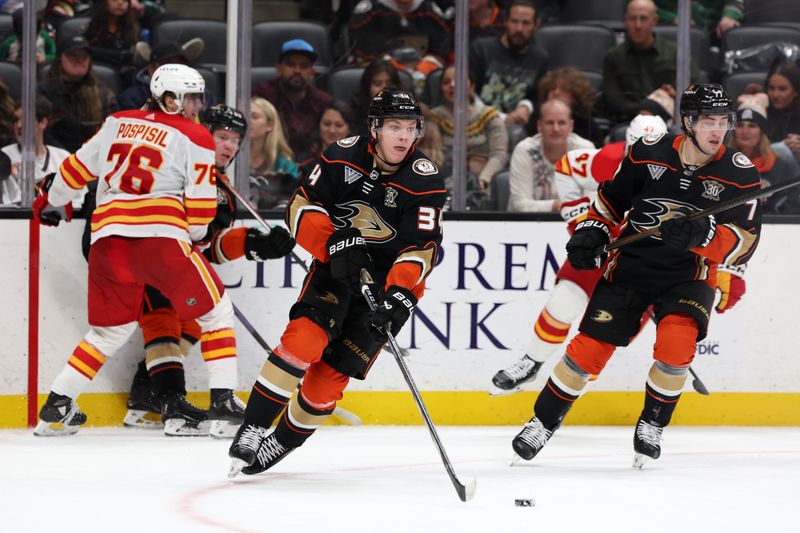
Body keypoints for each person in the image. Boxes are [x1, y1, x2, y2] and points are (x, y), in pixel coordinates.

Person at [510, 84, 762, 468]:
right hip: (630, 267)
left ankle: (652, 424)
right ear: (689, 121)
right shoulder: (648, 153)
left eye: (723, 121)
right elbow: (610, 201)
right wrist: (591, 231)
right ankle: (542, 422)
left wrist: (706, 236)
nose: (717, 130)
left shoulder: (739, 175)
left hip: (687, 276)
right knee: (587, 353)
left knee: (676, 349)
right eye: (708, 121)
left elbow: (744, 244)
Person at [227, 89, 447, 477]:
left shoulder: (425, 181)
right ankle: (254, 427)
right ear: (375, 128)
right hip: (336, 265)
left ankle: (282, 441)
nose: (403, 136)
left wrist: (397, 295)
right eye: (394, 126)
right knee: (302, 341)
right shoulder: (341, 155)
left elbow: (422, 248)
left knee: (326, 385)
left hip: (387, 286)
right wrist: (331, 244)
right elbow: (300, 206)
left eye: (410, 128)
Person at [31, 64, 236, 436]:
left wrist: (50, 200)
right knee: (217, 312)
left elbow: (72, 174)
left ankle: (58, 402)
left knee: (108, 333)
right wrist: (195, 236)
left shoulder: (115, 122)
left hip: (107, 244)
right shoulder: (196, 136)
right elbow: (202, 216)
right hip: (159, 241)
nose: (196, 106)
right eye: (190, 98)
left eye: (198, 98)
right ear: (168, 98)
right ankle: (223, 402)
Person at [124, 104, 297, 437]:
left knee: (193, 319)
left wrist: (255, 244)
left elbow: (211, 247)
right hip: (146, 254)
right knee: (161, 317)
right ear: (204, 134)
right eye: (222, 137)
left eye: (236, 140)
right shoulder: (176, 168)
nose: (229, 146)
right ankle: (172, 405)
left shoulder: (223, 190)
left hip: (177, 264)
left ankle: (146, 395)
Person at [492, 115, 669, 394]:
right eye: (635, 149)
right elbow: (566, 166)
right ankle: (531, 362)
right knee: (563, 302)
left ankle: (565, 390)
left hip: (640, 266)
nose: (642, 158)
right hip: (599, 250)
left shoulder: (681, 175)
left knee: (605, 333)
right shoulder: (604, 160)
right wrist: (581, 223)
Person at [603, 0, 702, 121]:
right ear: (625, 20)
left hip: (671, 119)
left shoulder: (674, 53)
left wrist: (676, 100)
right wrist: (649, 108)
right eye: (632, 18)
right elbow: (613, 99)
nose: (638, 25)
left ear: (654, 21)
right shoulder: (614, 56)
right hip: (630, 121)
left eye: (643, 18)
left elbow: (698, 87)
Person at [429, 66, 508, 206]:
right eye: (446, 82)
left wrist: (483, 180)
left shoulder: (490, 117)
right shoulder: (432, 118)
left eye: (458, 81)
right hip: (442, 186)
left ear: (472, 87)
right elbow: (431, 156)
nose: (452, 85)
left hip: (484, 186)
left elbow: (499, 155)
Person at [469, 0, 548, 126]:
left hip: (517, 127)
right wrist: (501, 117)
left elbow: (537, 98)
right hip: (478, 122)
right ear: (505, 21)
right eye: (514, 21)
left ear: (536, 25)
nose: (519, 29)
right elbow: (468, 93)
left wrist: (526, 107)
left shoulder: (540, 58)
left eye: (526, 23)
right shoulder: (481, 49)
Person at [508, 98, 594, 212]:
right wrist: (555, 206)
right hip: (526, 225)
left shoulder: (585, 151)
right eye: (549, 122)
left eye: (561, 122)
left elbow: (593, 201)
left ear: (571, 126)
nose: (556, 128)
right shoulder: (524, 151)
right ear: (539, 126)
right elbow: (519, 205)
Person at [38, 34, 119, 153]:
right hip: (56, 159)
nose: (79, 60)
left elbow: (114, 129)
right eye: (72, 56)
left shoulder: (103, 93)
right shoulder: (44, 92)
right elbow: (42, 134)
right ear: (60, 58)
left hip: (95, 157)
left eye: (84, 56)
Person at [251, 39, 333, 156]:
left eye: (303, 66)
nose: (297, 71)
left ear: (311, 72)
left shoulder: (323, 102)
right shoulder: (262, 95)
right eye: (290, 64)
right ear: (279, 69)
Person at [728, 92, 800, 214]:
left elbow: (792, 206)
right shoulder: (723, 162)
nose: (745, 131)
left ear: (762, 132)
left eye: (752, 126)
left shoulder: (784, 164)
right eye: (740, 125)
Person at [0, 96, 75, 208]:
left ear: (43, 123)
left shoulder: (63, 158)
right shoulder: (3, 158)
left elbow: (79, 200)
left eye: (25, 119)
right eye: (16, 120)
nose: (19, 125)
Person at [348, 0, 452, 77]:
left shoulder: (429, 9)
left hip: (422, 73)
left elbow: (442, 47)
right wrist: (391, 67)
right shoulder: (370, 11)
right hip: (380, 74)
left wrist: (429, 63)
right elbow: (363, 49)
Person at [117, 38, 205, 111]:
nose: (175, 71)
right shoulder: (132, 98)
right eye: (168, 65)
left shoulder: (202, 95)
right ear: (151, 69)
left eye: (180, 65)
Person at [249, 97, 300, 210]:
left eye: (254, 116)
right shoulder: (230, 157)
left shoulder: (285, 164)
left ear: (270, 125)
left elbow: (290, 203)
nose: (248, 120)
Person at [536, 67, 604, 147]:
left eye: (563, 89)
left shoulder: (588, 124)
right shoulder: (537, 117)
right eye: (552, 88)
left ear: (575, 94)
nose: (556, 92)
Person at [84, 0, 140, 85]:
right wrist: (120, 56)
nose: (120, 2)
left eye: (125, 0)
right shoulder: (92, 28)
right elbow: (86, 51)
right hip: (97, 76)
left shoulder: (132, 28)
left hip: (124, 77)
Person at [297, 101, 356, 179]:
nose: (332, 130)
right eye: (326, 124)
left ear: (349, 129)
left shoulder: (360, 160)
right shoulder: (305, 162)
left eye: (339, 125)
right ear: (319, 125)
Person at [350, 59, 402, 135]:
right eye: (377, 84)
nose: (384, 88)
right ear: (367, 87)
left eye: (389, 84)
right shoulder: (356, 109)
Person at [764, 62, 800, 163]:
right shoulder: (761, 110)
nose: (775, 95)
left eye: (782, 89)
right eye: (771, 88)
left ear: (796, 92)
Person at [655, 0, 743, 39]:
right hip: (671, 35)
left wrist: (729, 16)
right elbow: (646, 6)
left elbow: (735, 2)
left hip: (715, 34)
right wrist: (672, 18)